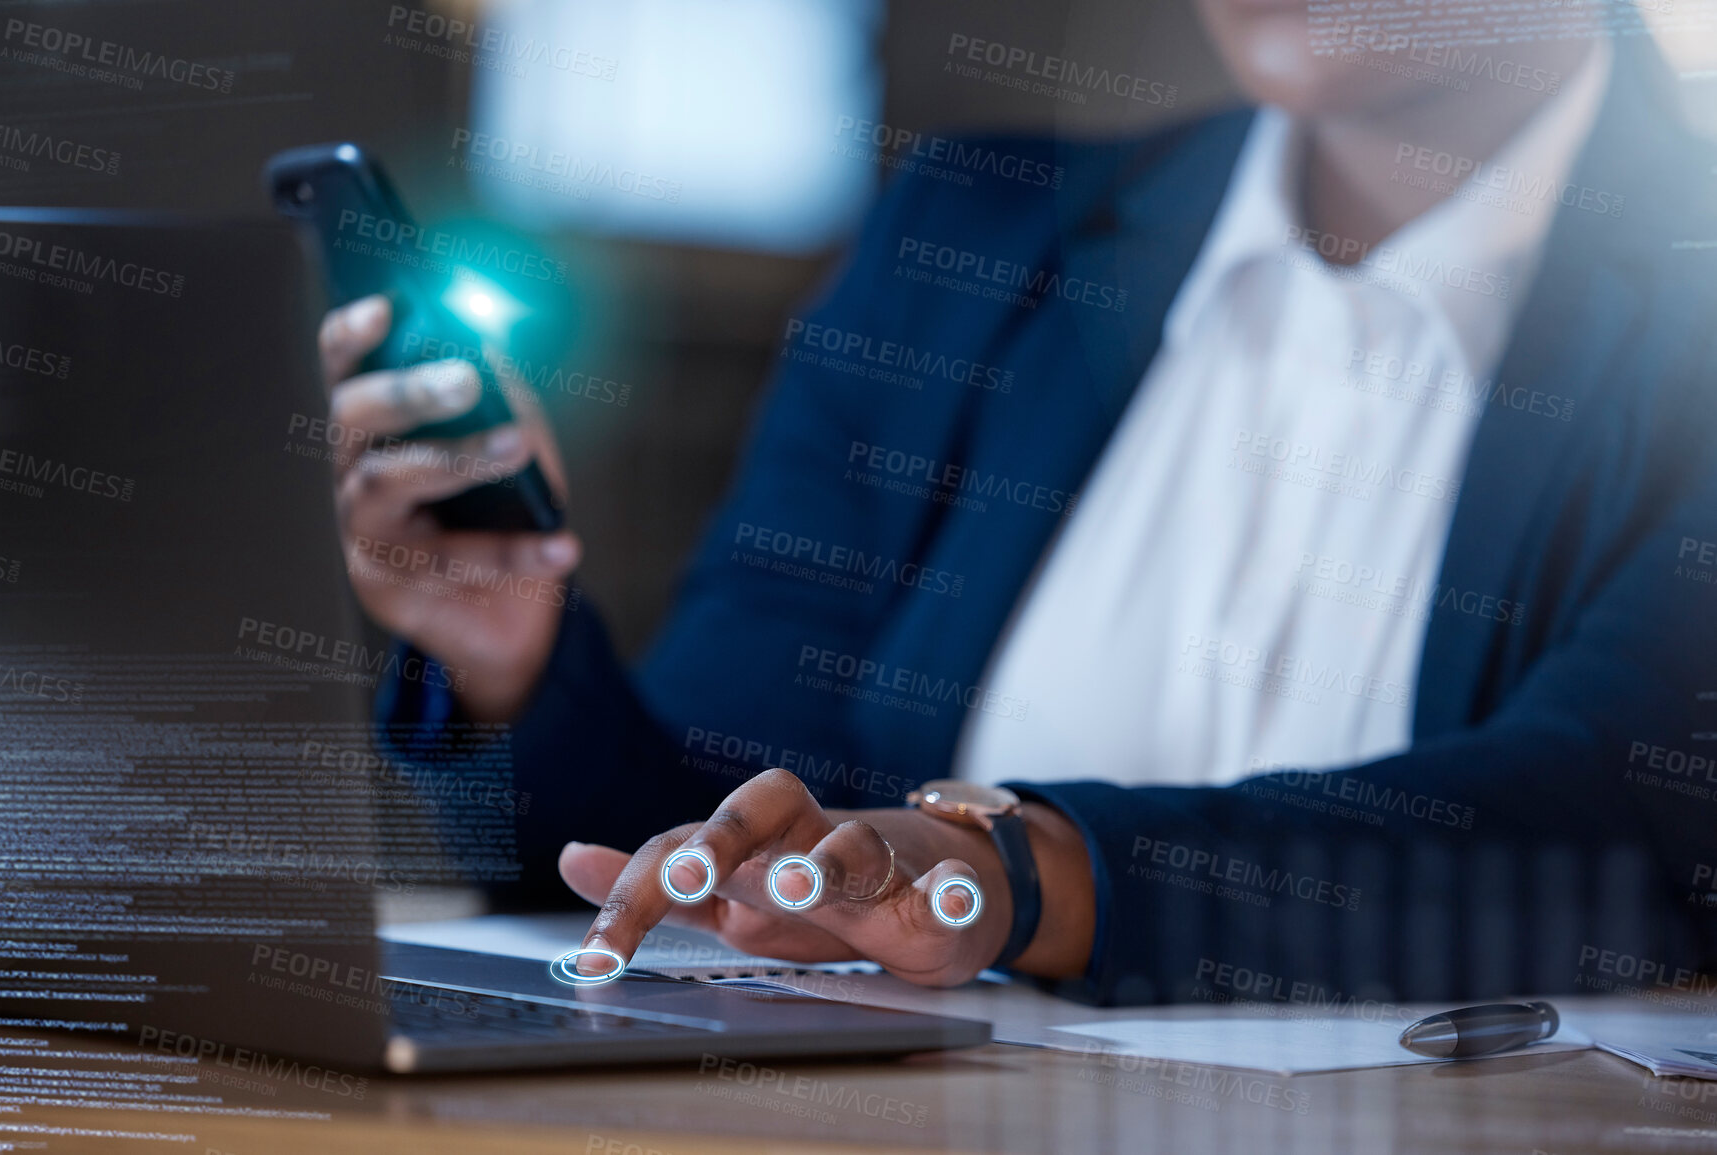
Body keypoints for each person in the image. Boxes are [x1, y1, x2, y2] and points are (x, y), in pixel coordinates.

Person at [321, 2, 1717, 1003]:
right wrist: (511, 658)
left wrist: (1028, 873)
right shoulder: (967, 243)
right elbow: (721, 819)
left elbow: (1620, 824)